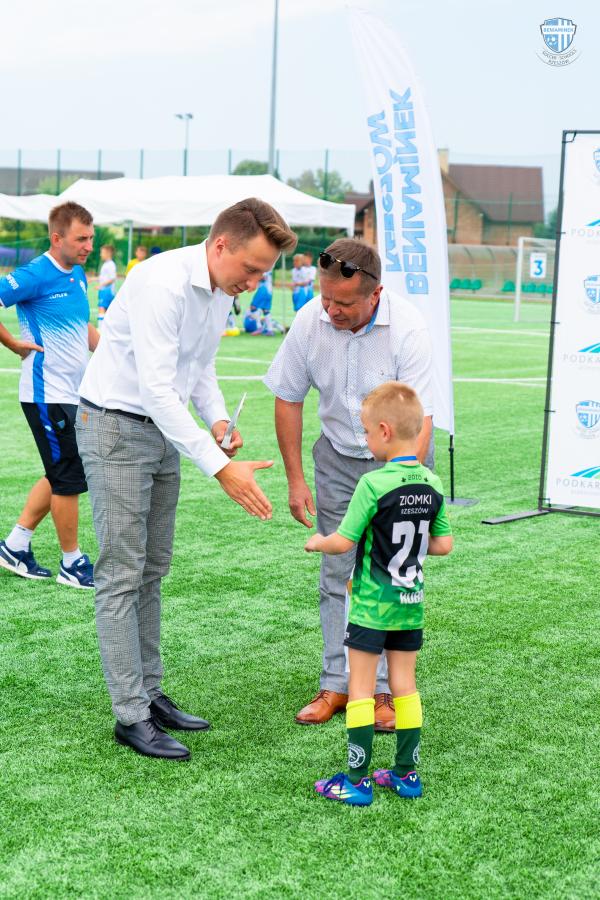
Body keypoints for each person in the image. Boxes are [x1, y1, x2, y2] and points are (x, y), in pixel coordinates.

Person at [76, 198, 298, 762]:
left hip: (161, 433)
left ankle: (150, 695)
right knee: (121, 575)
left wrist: (218, 420)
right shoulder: (162, 282)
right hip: (116, 428)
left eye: (263, 273)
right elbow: (156, 389)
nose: (254, 283)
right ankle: (130, 713)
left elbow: (198, 367)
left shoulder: (220, 288)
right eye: (251, 269)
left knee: (152, 569)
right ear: (221, 245)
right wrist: (220, 467)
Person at [264, 238, 433, 732]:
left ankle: (381, 692)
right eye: (325, 298)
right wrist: (296, 479)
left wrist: (401, 486)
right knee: (336, 572)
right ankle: (336, 683)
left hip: (397, 463)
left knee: (386, 577)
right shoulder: (309, 321)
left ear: (375, 294)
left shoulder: (409, 330)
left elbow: (421, 419)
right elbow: (288, 397)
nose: (331, 310)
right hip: (336, 459)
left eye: (343, 303)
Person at [306, 382, 452, 806]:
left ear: (385, 431)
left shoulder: (373, 484)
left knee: (361, 690)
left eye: (368, 432)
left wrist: (318, 542)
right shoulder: (432, 482)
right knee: (405, 686)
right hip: (411, 605)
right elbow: (443, 545)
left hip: (371, 606)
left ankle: (357, 780)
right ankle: (406, 774)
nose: (367, 440)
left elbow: (343, 540)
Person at [0, 202, 99, 588]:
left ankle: (15, 544)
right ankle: (71, 563)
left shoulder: (78, 274)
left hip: (72, 394)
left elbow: (83, 327)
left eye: (91, 238)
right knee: (68, 476)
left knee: (63, 469)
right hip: (45, 395)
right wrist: (12, 343)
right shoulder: (35, 273)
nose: (88, 246)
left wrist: (115, 356)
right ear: (57, 238)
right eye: (81, 239)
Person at [96, 244, 117, 328]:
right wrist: (92, 279)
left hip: (107, 291)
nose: (100, 255)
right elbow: (103, 277)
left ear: (108, 253)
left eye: (102, 252)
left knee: (101, 308)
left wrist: (101, 285)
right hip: (105, 290)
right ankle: (106, 329)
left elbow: (112, 279)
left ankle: (100, 329)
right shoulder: (106, 264)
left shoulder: (111, 264)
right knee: (107, 311)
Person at [249, 270, 275, 334]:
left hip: (263, 289)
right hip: (269, 290)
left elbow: (263, 277)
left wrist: (252, 277)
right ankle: (270, 330)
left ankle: (259, 327)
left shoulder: (264, 266)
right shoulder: (268, 266)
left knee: (253, 307)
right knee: (265, 310)